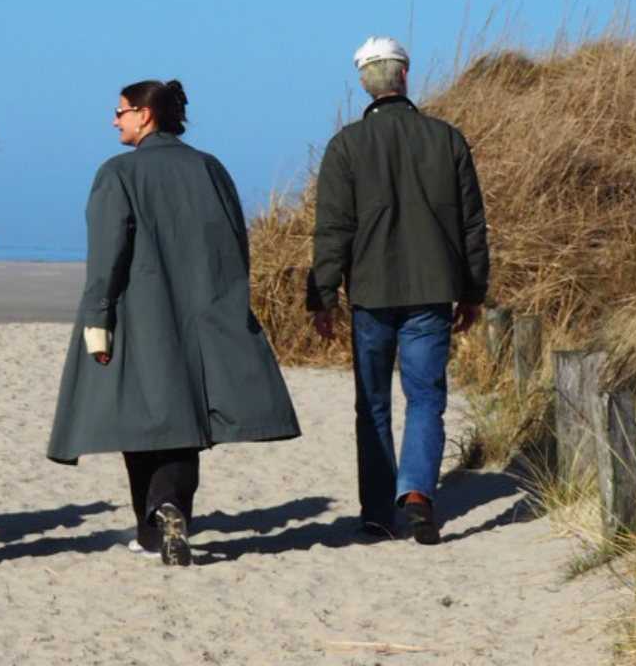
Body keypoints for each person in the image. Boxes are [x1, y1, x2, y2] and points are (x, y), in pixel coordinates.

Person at [47, 79, 301, 566]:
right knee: (185, 421)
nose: (114, 120)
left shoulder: (117, 174)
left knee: (138, 417)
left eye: (120, 111)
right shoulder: (210, 168)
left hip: (137, 315)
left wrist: (97, 316)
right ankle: (171, 506)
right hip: (203, 314)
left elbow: (105, 256)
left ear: (145, 115)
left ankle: (150, 527)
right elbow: (235, 248)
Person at [307, 37, 489, 545]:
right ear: (404, 76)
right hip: (432, 290)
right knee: (425, 397)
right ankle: (416, 496)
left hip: (369, 291)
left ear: (363, 84)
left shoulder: (346, 146)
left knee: (373, 403)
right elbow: (473, 224)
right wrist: (474, 290)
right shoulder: (446, 139)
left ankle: (377, 510)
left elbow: (332, 230)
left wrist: (323, 295)